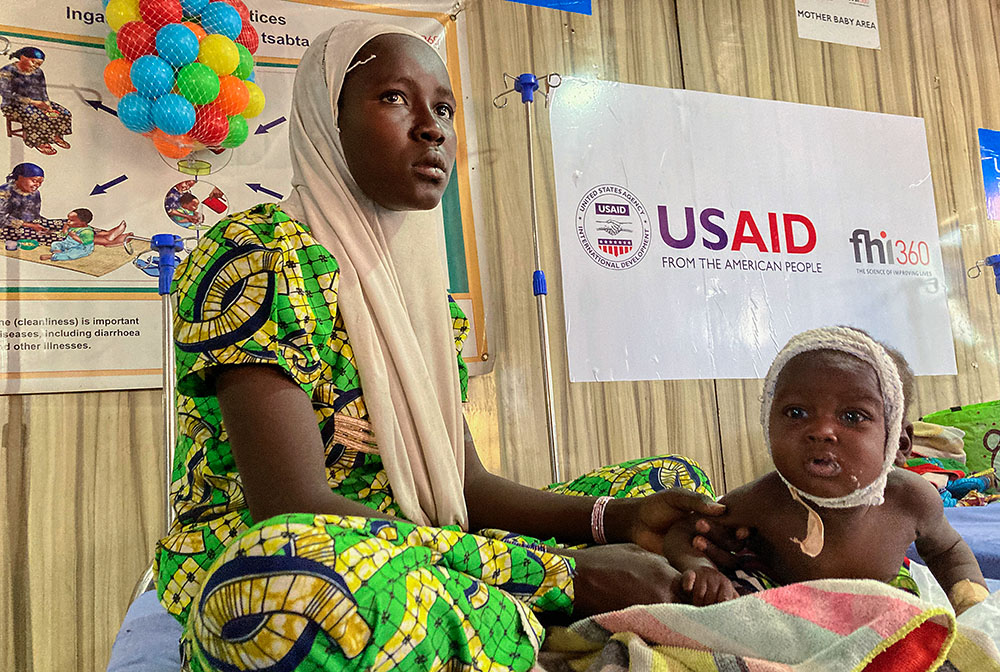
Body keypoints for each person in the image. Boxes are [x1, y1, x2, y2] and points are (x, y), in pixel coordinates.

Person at [155, 21, 742, 672]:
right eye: (394, 99)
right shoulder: (255, 255)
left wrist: (622, 521)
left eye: (443, 108)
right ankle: (545, 623)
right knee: (291, 594)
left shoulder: (424, 289)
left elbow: (467, 484)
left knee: (671, 485)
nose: (431, 127)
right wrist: (566, 573)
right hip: (304, 557)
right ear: (330, 120)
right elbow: (292, 507)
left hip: (431, 542)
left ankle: (504, 628)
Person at [663, 326, 989, 616]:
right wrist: (702, 569)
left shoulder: (913, 498)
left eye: (852, 416)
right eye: (796, 412)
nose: (821, 431)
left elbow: (949, 551)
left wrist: (972, 606)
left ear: (899, 443)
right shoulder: (765, 498)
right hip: (782, 606)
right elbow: (686, 532)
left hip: (882, 604)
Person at [0, 46, 73, 155]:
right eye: (33, 62)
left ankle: (55, 135)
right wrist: (31, 102)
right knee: (36, 116)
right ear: (23, 57)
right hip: (14, 105)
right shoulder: (7, 71)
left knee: (62, 113)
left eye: (38, 64)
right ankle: (39, 141)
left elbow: (42, 90)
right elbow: (6, 93)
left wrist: (47, 104)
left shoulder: (38, 73)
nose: (35, 66)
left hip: (37, 102)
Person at [0, 162, 62, 244]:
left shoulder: (35, 193)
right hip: (9, 227)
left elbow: (35, 215)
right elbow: (1, 219)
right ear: (20, 177)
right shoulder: (4, 192)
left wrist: (42, 226)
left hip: (31, 225)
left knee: (61, 225)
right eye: (34, 181)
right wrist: (30, 226)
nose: (37, 185)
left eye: (40, 182)